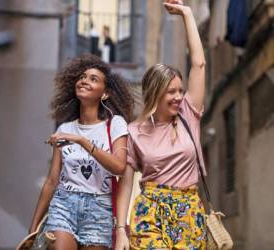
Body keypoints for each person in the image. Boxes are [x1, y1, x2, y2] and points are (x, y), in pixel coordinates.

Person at [115, 1, 207, 249]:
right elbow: (125, 183)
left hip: (189, 212)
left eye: (181, 90)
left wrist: (186, 14)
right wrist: (121, 230)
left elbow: (198, 64)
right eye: (171, 92)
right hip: (150, 213)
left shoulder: (188, 114)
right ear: (155, 93)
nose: (179, 97)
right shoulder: (134, 131)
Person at [29, 54, 134, 250]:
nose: (84, 81)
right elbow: (52, 181)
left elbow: (119, 167)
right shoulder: (64, 129)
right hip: (64, 205)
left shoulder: (116, 125)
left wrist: (82, 141)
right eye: (82, 77)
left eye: (93, 79)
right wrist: (33, 228)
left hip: (99, 209)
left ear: (105, 94)